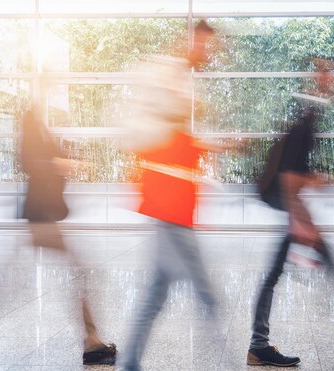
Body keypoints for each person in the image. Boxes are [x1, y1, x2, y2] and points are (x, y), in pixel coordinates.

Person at [116, 20, 220, 371]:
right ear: (188, 40)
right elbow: (152, 138)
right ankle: (224, 362)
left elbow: (172, 140)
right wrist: (195, 137)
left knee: (157, 292)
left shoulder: (179, 80)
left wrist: (205, 142)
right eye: (204, 45)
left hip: (175, 202)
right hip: (170, 202)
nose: (207, 53)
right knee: (206, 295)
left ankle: (128, 363)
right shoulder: (164, 75)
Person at [247, 58, 334, 367]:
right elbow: (290, 178)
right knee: (278, 275)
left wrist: (318, 181)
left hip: (292, 210)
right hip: (292, 211)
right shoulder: (306, 122)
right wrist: (303, 225)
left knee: (275, 275)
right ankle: (258, 346)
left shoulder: (308, 118)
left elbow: (297, 172)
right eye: (328, 76)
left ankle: (258, 346)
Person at [21, 105, 117, 365]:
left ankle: (92, 341)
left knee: (80, 270)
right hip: (39, 217)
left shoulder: (41, 125)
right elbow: (27, 161)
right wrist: (56, 163)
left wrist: (61, 164)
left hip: (45, 216)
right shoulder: (31, 122)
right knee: (80, 270)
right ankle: (91, 342)